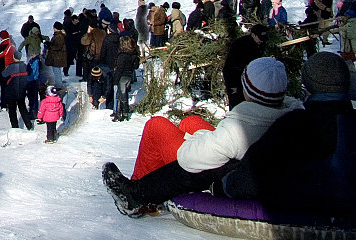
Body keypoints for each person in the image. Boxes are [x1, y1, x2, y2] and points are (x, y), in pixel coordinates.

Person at [101, 57, 296, 217]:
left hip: (225, 171)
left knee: (156, 126)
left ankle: (135, 196)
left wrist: (195, 139)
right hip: (244, 160)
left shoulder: (239, 130)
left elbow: (188, 159)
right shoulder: (292, 112)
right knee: (191, 122)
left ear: (248, 89)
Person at [223, 52, 356, 213]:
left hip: (307, 212)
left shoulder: (294, 125)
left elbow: (251, 178)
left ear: (307, 83)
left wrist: (225, 183)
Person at [221, 24, 268, 108]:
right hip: (235, 78)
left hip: (248, 79)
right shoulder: (241, 45)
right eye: (260, 38)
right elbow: (231, 68)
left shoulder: (259, 44)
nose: (262, 41)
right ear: (253, 35)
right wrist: (234, 86)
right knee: (237, 105)